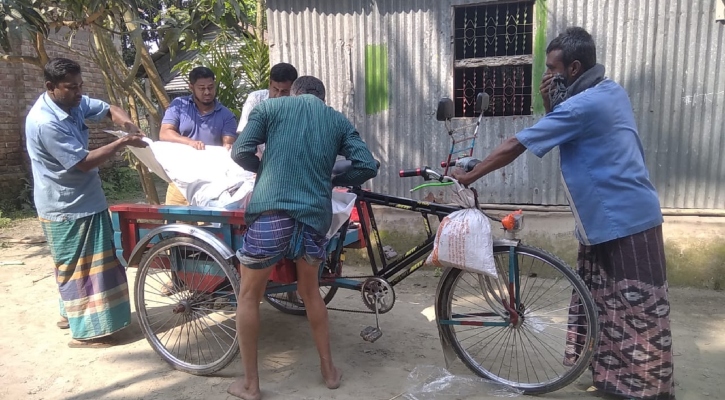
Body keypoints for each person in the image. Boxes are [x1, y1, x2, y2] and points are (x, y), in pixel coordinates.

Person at [452, 27, 674, 400]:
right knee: (605, 301)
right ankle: (613, 380)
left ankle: (647, 389)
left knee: (638, 308)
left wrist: (469, 174)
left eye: (552, 70)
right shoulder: (609, 90)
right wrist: (554, 102)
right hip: (609, 218)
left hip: (624, 220)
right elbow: (569, 129)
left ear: (573, 68)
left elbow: (517, 143)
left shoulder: (582, 105)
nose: (547, 77)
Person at [228, 76, 378, 400]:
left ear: (294, 92)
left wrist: (263, 168)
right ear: (322, 97)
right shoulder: (336, 119)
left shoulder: (270, 108)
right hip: (314, 218)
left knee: (249, 296)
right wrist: (332, 177)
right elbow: (367, 165)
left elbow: (240, 151)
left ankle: (250, 385)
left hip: (272, 213)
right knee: (310, 293)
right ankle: (329, 372)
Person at [24, 57, 148, 348]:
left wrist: (127, 124)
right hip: (66, 206)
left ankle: (70, 313)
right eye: (71, 88)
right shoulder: (46, 123)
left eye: (80, 86)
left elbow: (108, 109)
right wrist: (122, 143)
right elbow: (82, 162)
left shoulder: (73, 102)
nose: (79, 93)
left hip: (86, 200)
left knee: (80, 266)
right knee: (79, 268)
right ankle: (88, 332)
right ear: (51, 87)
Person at [160, 66, 238, 206]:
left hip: (211, 184)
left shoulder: (226, 115)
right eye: (202, 88)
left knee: (208, 226)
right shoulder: (179, 106)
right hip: (179, 180)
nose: (207, 92)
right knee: (176, 226)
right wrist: (188, 142)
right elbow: (165, 133)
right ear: (191, 87)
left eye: (210, 87)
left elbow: (228, 143)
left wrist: (228, 146)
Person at [236, 62, 298, 158]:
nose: (278, 96)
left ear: (293, 89)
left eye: (284, 91)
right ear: (269, 84)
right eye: (275, 89)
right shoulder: (255, 99)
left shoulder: (298, 107)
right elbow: (244, 135)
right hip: (256, 161)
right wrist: (259, 159)